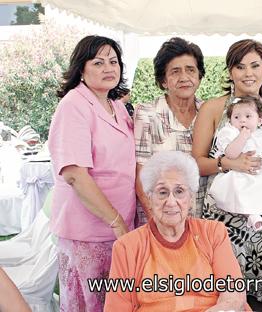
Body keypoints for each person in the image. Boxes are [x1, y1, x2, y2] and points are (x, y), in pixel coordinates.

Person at [192, 39, 262, 310]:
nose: (248, 73)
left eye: (255, 65)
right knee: (222, 297)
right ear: (229, 71)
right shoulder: (213, 109)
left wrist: (257, 192)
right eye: (240, 66)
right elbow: (198, 163)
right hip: (223, 215)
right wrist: (229, 165)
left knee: (258, 301)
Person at [48, 35, 136, 311]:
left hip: (121, 228)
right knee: (88, 304)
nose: (109, 68)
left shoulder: (117, 107)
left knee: (116, 302)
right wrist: (117, 222)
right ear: (81, 69)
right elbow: (75, 174)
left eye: (114, 61)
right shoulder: (74, 105)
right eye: (98, 62)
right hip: (88, 232)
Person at [104, 151, 248, 311]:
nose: (171, 202)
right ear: (149, 198)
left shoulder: (213, 232)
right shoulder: (127, 247)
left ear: (191, 199)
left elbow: (233, 294)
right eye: (162, 192)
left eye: (179, 191)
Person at [134, 37, 206, 226]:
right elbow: (140, 177)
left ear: (199, 76)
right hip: (160, 221)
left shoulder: (209, 113)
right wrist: (160, 227)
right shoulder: (147, 114)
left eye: (190, 70)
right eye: (175, 71)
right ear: (164, 80)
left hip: (201, 223)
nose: (184, 77)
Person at [208, 96, 262, 231]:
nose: (242, 120)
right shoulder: (230, 133)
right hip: (239, 174)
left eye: (248, 116)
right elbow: (231, 154)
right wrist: (242, 137)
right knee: (239, 189)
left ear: (260, 120)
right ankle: (252, 215)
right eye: (236, 117)